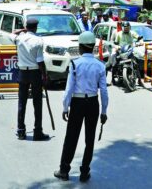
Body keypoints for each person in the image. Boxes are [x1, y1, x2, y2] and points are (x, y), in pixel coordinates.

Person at [54, 31, 108, 183]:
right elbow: (103, 91)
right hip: (92, 103)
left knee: (71, 137)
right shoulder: (100, 65)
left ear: (80, 47)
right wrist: (104, 111)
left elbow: (69, 89)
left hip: (77, 103)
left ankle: (64, 170)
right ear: (93, 48)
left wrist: (65, 107)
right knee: (89, 139)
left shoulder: (75, 64)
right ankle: (85, 172)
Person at [10, 18, 49, 141]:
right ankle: (38, 131)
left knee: (22, 102)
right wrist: (45, 75)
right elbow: (40, 61)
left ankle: (21, 130)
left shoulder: (19, 38)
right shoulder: (38, 40)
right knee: (37, 103)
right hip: (35, 72)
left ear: (27, 27)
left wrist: (23, 30)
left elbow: (12, 33)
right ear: (36, 27)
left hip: (23, 73)